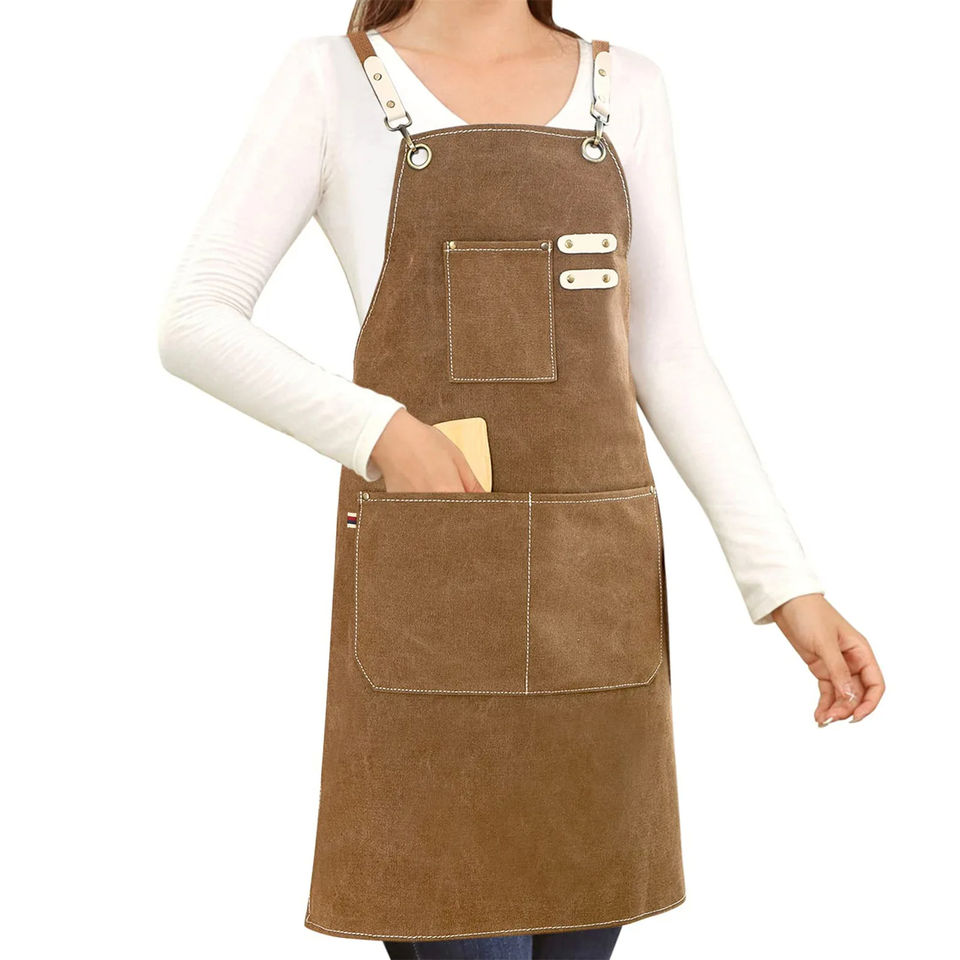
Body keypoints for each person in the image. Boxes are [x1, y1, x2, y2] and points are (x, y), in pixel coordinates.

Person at [157, 2, 886, 958]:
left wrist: (788, 587)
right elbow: (196, 319)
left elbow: (667, 355)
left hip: (595, 609)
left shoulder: (628, 88)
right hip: (437, 605)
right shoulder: (330, 80)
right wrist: (380, 432)